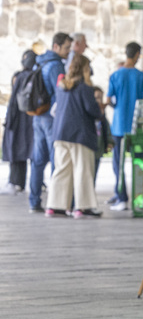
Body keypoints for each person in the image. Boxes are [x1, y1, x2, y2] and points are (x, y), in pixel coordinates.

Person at [44, 55, 103, 219]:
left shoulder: (62, 87)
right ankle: (83, 207)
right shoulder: (84, 88)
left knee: (61, 170)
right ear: (85, 69)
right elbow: (93, 111)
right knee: (83, 170)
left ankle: (55, 206)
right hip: (80, 135)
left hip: (60, 134)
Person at [106, 42, 143, 210]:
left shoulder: (115, 76)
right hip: (136, 125)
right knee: (140, 162)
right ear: (137, 54)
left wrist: (118, 107)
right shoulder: (142, 77)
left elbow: (108, 99)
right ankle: (141, 198)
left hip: (118, 125)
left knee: (118, 164)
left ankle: (122, 197)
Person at [30, 32, 72, 213]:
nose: (68, 51)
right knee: (57, 159)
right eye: (66, 48)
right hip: (51, 118)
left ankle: (34, 202)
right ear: (56, 46)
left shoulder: (39, 62)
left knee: (38, 160)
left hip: (38, 115)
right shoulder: (56, 66)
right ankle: (55, 203)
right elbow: (60, 93)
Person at [2, 50, 38, 195]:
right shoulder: (36, 76)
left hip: (19, 120)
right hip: (33, 118)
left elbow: (13, 103)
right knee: (34, 155)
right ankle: (35, 182)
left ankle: (16, 181)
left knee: (17, 151)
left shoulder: (21, 76)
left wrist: (9, 121)